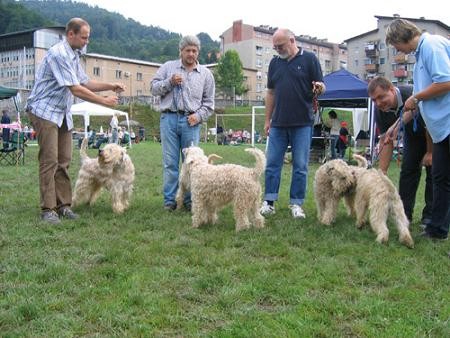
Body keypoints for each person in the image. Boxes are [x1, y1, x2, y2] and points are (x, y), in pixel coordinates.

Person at [26, 17, 125, 224]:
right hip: (44, 111)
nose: (86, 42)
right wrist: (104, 102)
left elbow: (85, 81)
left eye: (87, 38)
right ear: (70, 34)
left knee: (64, 161)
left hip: (62, 112)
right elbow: (75, 88)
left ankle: (63, 206)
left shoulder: (75, 55)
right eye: (83, 37)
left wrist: (110, 85)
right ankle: (48, 210)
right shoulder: (59, 54)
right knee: (49, 161)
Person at [385, 18, 450, 240]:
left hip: (448, 123)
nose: (397, 51)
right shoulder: (421, 54)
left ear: (401, 37)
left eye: (395, 46)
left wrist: (417, 96)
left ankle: (437, 228)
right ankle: (437, 230)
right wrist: (396, 126)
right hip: (441, 128)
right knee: (441, 178)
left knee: (442, 179)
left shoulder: (431, 45)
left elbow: (446, 82)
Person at [260, 28, 325, 219]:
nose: (278, 50)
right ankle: (269, 202)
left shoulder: (310, 59)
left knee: (300, 165)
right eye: (275, 47)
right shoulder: (274, 63)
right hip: (278, 123)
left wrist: (320, 88)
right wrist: (267, 120)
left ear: (292, 40)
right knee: (272, 163)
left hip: (303, 122)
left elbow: (321, 85)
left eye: (280, 46)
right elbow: (270, 92)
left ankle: (296, 204)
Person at [151, 35, 215, 211]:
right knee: (170, 163)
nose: (191, 54)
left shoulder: (206, 74)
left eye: (194, 51)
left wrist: (199, 116)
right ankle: (170, 201)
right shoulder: (167, 67)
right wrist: (169, 82)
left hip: (191, 122)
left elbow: (209, 104)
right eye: (188, 50)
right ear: (181, 51)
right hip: (168, 118)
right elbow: (153, 88)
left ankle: (190, 201)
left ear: (198, 52)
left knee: (193, 164)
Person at [368, 76, 433, 228]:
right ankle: (404, 215)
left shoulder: (411, 93)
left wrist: (430, 153)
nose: (378, 103)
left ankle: (429, 218)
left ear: (391, 89)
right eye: (374, 100)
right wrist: (382, 173)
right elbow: (387, 140)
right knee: (408, 172)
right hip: (413, 137)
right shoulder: (381, 110)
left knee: (433, 172)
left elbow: (430, 121)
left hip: (432, 132)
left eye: (381, 97)